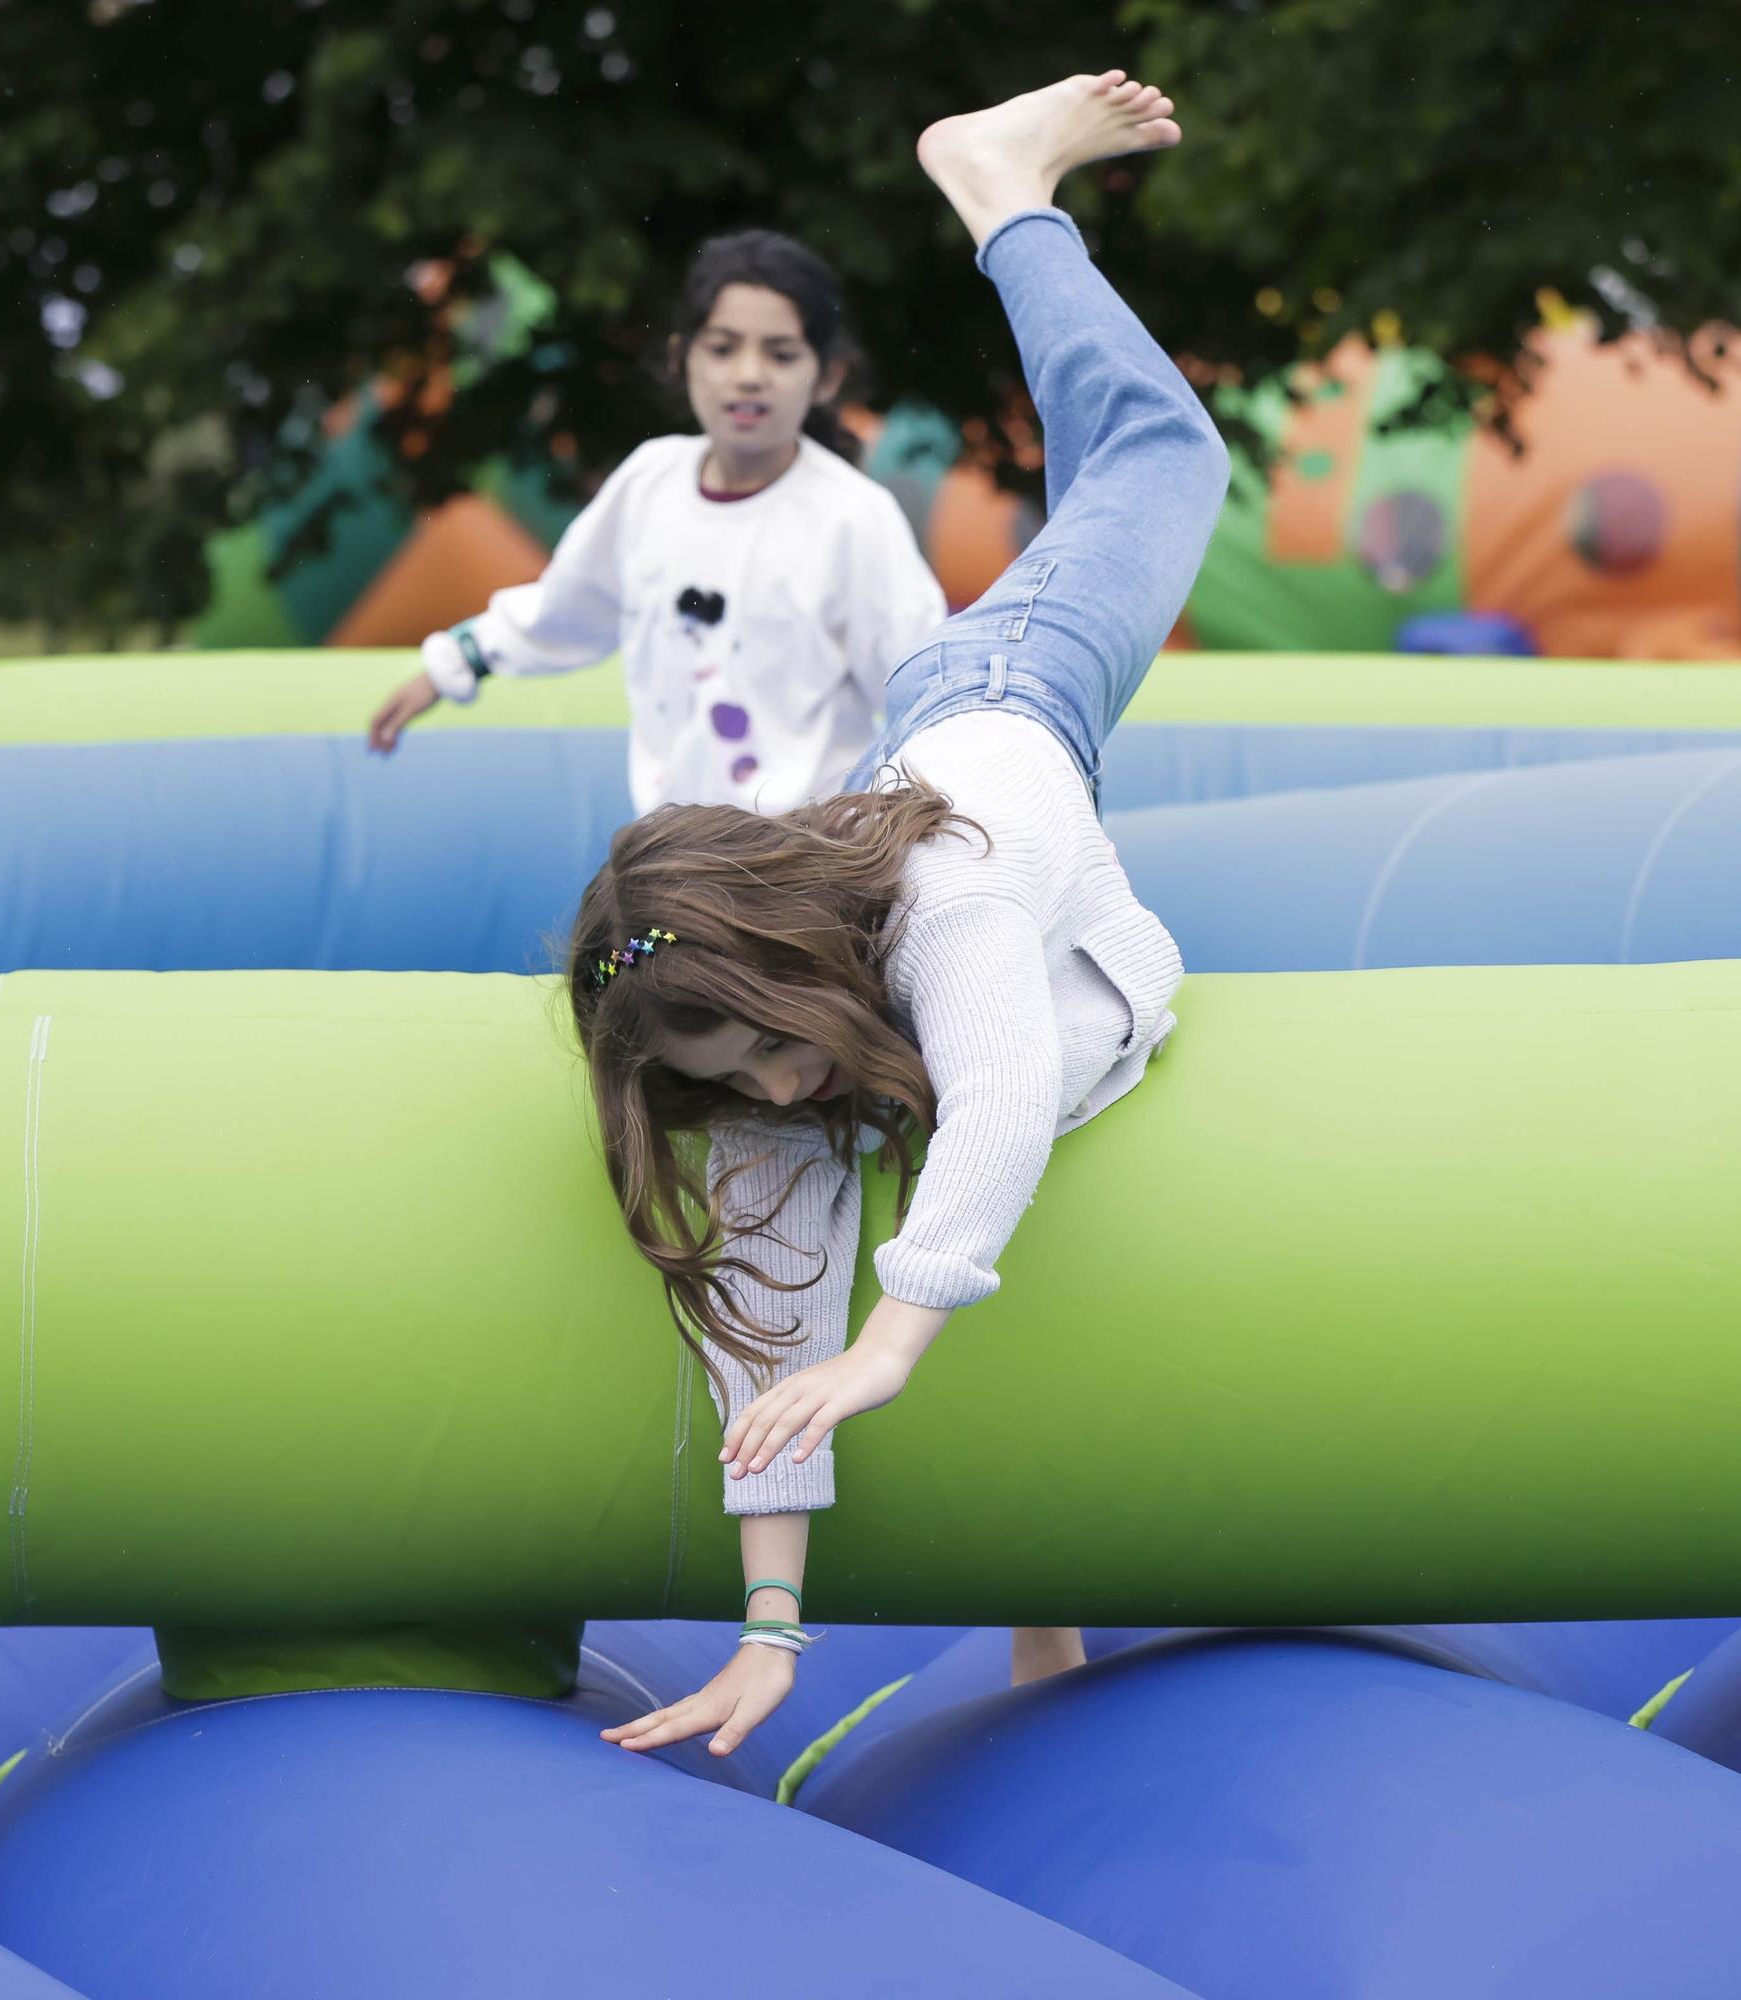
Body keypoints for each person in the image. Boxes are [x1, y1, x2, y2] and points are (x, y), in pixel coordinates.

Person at [567, 71, 1226, 1760]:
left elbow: (997, 1094)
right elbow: (772, 1322)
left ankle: (997, 182)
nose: (776, 1093)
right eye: (732, 1079)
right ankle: (1045, 1616)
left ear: (790, 972)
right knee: (895, 1107)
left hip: (1003, 705)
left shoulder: (947, 902)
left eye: (766, 1051)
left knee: (1159, 455)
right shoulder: (751, 1055)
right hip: (933, 800)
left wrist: (902, 1338)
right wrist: (770, 1630)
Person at [366, 231, 946, 817]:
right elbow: (567, 608)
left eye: (781, 353)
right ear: (680, 357)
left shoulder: (852, 517)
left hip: (801, 863)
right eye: (722, 348)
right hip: (668, 855)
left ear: (826, 377)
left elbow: (921, 682)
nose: (749, 374)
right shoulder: (650, 482)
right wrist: (452, 666)